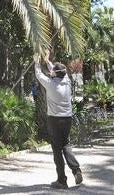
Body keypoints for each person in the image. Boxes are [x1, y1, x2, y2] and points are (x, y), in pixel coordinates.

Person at [34, 54, 82, 189]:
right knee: (66, 144)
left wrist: (36, 62)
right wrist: (47, 60)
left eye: (52, 70)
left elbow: (38, 74)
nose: (50, 71)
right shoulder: (66, 80)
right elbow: (55, 70)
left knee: (57, 150)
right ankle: (76, 170)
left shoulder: (50, 84)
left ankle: (62, 180)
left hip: (55, 120)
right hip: (67, 118)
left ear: (55, 73)